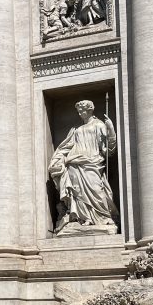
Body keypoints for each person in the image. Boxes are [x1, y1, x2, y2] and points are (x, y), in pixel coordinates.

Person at [48, 99, 118, 233]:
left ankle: (102, 217)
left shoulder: (99, 125)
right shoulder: (77, 129)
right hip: (74, 163)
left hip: (93, 162)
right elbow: (66, 147)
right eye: (79, 111)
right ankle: (84, 218)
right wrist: (58, 159)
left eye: (82, 111)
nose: (80, 113)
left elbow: (109, 149)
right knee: (78, 191)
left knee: (96, 190)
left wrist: (111, 129)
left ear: (90, 110)